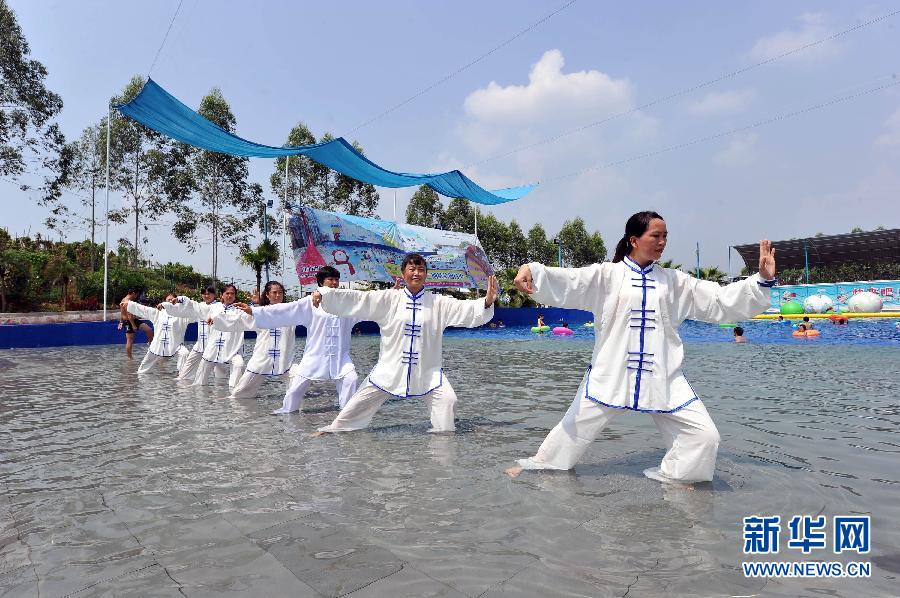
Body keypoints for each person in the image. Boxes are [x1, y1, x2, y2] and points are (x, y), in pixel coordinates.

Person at [505, 211, 776, 483]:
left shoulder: (675, 281)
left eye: (665, 236)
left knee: (704, 436)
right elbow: (569, 280)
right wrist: (533, 271)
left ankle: (677, 477)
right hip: (611, 373)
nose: (662, 242)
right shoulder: (607, 276)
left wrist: (761, 280)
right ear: (634, 240)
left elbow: (718, 299)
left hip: (663, 377)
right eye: (655, 236)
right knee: (574, 427)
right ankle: (540, 465)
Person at [312, 253, 498, 434]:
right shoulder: (388, 299)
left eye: (421, 269)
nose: (416, 273)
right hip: (389, 370)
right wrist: (324, 294)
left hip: (427, 371)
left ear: (426, 274)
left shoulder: (439, 303)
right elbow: (358, 299)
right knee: (358, 404)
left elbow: (465, 309)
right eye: (412, 269)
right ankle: (334, 429)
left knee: (449, 401)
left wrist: (487, 301)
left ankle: (443, 441)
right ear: (403, 273)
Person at [240, 267, 361, 414]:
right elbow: (286, 310)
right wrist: (255, 310)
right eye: (330, 279)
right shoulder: (310, 303)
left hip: (340, 357)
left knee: (351, 379)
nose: (334, 283)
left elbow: (367, 302)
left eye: (336, 279)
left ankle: (346, 415)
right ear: (321, 282)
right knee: (296, 389)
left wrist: (393, 295)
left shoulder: (346, 302)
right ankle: (288, 410)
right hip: (315, 355)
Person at [211, 281, 296, 400]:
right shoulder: (259, 312)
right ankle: (232, 410)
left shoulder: (292, 312)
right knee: (239, 395)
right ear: (267, 295)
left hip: (285, 360)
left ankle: (293, 409)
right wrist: (216, 319)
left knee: (297, 380)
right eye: (274, 292)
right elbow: (238, 319)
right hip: (262, 358)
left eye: (280, 292)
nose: (277, 295)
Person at [167, 284, 245, 387]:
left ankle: (232, 392)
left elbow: (254, 316)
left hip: (227, 348)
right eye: (227, 293)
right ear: (222, 295)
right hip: (208, 346)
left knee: (231, 369)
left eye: (232, 294)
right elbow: (193, 305)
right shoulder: (213, 307)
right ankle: (192, 390)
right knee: (201, 373)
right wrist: (181, 299)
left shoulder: (238, 310)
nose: (229, 296)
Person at [124, 292, 191, 374]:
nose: (169, 301)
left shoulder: (182, 315)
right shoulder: (158, 313)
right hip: (157, 345)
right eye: (168, 300)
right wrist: (130, 305)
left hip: (175, 345)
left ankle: (183, 376)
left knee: (184, 353)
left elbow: (193, 309)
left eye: (171, 300)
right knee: (142, 372)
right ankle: (143, 382)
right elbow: (144, 309)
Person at [170, 285, 219, 381]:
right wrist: (179, 299)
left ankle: (220, 388)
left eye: (209, 294)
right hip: (200, 343)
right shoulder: (199, 305)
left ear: (214, 295)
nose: (206, 295)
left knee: (219, 370)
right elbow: (190, 303)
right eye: (204, 294)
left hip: (214, 345)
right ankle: (183, 380)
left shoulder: (218, 306)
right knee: (189, 363)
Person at [118, 289, 153, 359]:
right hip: (129, 322)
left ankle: (150, 345)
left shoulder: (125, 299)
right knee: (130, 340)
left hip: (134, 320)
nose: (137, 297)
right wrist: (133, 325)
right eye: (137, 295)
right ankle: (130, 358)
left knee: (149, 330)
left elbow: (121, 312)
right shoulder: (127, 301)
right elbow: (129, 315)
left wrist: (120, 321)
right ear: (133, 293)